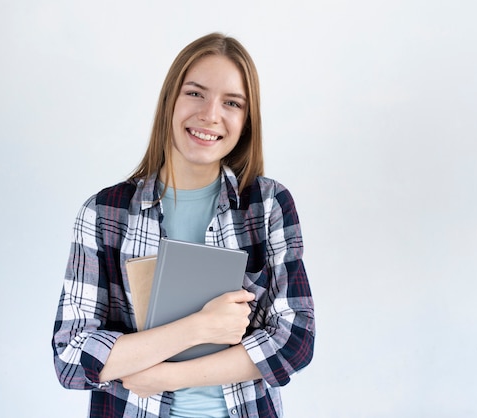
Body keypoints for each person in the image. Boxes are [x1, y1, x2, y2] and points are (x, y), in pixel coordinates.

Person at [52, 32, 315, 418]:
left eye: (231, 102)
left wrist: (164, 376)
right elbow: (71, 357)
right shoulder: (104, 213)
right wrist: (199, 328)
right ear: (170, 101)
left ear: (246, 120)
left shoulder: (267, 205)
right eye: (195, 93)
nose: (210, 114)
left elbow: (296, 340)